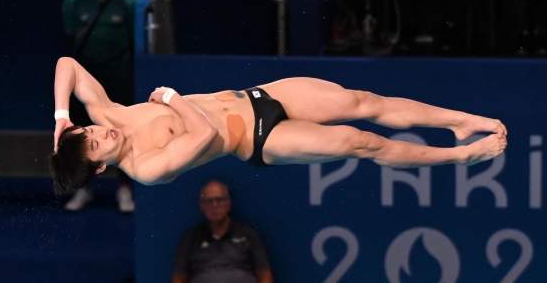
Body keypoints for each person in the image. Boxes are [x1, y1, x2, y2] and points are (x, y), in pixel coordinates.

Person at [49, 57, 508, 193]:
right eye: (94, 145)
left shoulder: (107, 115)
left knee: (361, 101)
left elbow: (67, 64)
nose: (100, 134)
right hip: (261, 138)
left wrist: (62, 116)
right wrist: (170, 98)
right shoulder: (146, 167)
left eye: (88, 132)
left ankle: (462, 124)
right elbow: (205, 133)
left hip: (261, 95)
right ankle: (461, 155)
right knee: (358, 142)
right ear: (102, 168)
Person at [61, 0, 136, 212]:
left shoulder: (127, 1)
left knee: (122, 130)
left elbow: (134, 38)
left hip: (118, 75)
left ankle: (124, 188)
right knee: (82, 133)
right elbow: (70, 35)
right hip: (85, 75)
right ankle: (84, 187)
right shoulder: (75, 0)